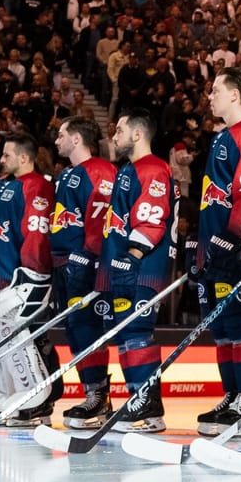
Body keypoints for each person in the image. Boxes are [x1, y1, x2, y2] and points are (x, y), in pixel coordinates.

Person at [192, 67, 241, 435]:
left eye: (216, 89)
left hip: (237, 252)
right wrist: (199, 243)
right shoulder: (222, 137)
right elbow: (213, 198)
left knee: (240, 323)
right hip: (215, 251)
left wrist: (233, 235)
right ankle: (232, 394)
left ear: (235, 95)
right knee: (220, 328)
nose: (210, 96)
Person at [0, 132, 56, 425]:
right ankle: (3, 393)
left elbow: (36, 235)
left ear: (24, 158)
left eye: (7, 155)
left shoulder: (38, 186)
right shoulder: (4, 185)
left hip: (14, 277)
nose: (1, 159)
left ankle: (37, 401)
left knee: (18, 338)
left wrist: (32, 275)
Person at [94, 108, 176, 428]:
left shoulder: (153, 167)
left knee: (138, 332)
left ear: (138, 135)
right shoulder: (128, 169)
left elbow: (152, 218)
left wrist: (130, 256)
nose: (114, 136)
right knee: (128, 334)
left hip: (142, 266)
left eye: (120, 131)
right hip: (123, 266)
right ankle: (141, 402)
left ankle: (145, 401)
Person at [49, 116, 118, 428]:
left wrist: (87, 256)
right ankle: (93, 393)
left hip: (85, 264)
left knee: (87, 327)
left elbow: (102, 218)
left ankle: (99, 396)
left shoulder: (101, 170)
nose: (56, 141)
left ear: (77, 139)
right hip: (63, 263)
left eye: (62, 135)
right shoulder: (66, 175)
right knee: (75, 331)